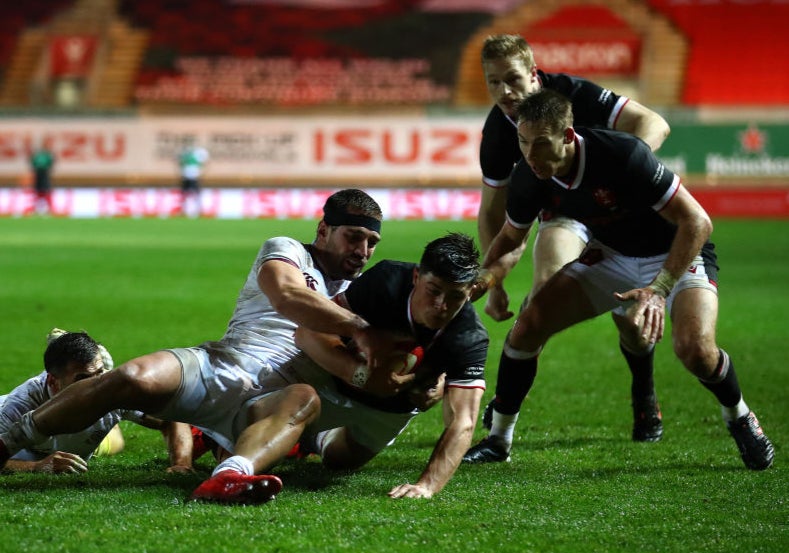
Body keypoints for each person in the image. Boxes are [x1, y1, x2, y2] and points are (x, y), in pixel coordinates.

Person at [0, 189, 389, 503]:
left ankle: (226, 478)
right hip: (222, 364)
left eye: (372, 242)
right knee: (131, 377)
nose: (363, 251)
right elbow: (287, 295)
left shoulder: (365, 294)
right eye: (353, 236)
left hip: (274, 396)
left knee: (304, 398)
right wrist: (361, 328)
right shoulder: (288, 249)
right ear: (324, 231)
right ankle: (8, 442)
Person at [468, 89, 774, 471]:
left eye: (540, 143)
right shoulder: (529, 176)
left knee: (694, 349)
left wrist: (659, 289)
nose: (530, 154)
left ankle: (740, 417)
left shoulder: (622, 154)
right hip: (612, 256)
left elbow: (697, 222)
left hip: (676, 254)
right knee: (527, 326)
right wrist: (480, 279)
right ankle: (499, 439)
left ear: (566, 136)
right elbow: (511, 240)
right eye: (523, 142)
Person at [469, 33, 675, 461]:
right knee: (542, 297)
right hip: (566, 215)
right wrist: (496, 280)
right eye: (493, 82)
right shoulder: (497, 133)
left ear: (534, 73)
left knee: (631, 324)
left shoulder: (576, 94)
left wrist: (622, 169)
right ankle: (505, 416)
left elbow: (654, 124)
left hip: (620, 210)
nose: (504, 92)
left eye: (512, 79)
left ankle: (644, 390)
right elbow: (493, 212)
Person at [291, 232, 488, 499]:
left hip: (394, 406)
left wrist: (426, 485)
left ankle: (311, 440)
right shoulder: (386, 281)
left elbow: (463, 421)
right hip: (335, 380)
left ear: (471, 292)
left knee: (339, 462)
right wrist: (358, 374)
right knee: (282, 410)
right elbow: (308, 332)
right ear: (417, 277)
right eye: (434, 291)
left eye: (455, 296)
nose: (442, 305)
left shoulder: (470, 338)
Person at [0, 329, 192, 474]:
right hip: (27, 443)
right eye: (83, 378)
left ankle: (110, 417)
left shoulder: (112, 390)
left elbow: (173, 419)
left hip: (79, 436)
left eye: (99, 374)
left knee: (113, 442)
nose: (97, 386)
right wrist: (37, 467)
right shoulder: (19, 406)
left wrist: (181, 464)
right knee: (111, 441)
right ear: (53, 382)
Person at [178, 140, 209, 217]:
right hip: (189, 177)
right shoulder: (188, 158)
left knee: (193, 193)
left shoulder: (193, 158)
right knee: (188, 194)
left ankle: (197, 210)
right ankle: (186, 210)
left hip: (193, 177)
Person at [29, 144, 55, 215]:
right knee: (38, 191)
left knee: (46, 190)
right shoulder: (38, 156)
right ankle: (36, 208)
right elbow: (32, 162)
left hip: (44, 173)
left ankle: (49, 208)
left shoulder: (46, 156)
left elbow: (51, 163)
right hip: (38, 173)